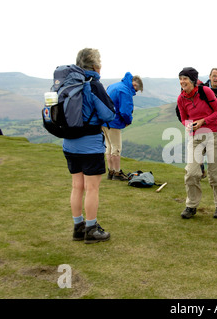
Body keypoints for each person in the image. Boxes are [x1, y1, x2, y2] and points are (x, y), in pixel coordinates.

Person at [64, 48, 116, 244]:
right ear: (95, 66)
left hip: (69, 143)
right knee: (92, 188)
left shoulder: (69, 82)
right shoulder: (93, 85)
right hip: (90, 145)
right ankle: (91, 229)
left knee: (76, 186)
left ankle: (78, 227)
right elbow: (108, 114)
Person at [177, 67, 217, 219]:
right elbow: (183, 117)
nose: (182, 81)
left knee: (215, 174)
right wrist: (188, 124)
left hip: (214, 134)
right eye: (180, 78)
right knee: (191, 173)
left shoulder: (206, 92)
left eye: (185, 78)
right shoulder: (181, 98)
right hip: (195, 137)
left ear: (192, 80)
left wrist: (203, 121)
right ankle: (191, 206)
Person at [103, 72, 143, 181]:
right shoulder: (125, 90)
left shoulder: (113, 86)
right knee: (116, 148)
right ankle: (117, 173)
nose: (134, 92)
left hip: (104, 121)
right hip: (114, 122)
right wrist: (128, 121)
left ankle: (110, 172)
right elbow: (125, 111)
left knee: (109, 146)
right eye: (136, 90)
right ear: (134, 85)